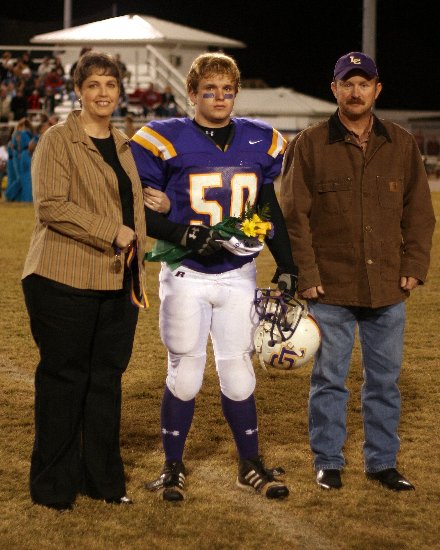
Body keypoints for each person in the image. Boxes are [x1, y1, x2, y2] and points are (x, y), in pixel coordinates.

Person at [131, 52, 298, 502]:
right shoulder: (163, 138)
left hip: (239, 273)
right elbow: (142, 211)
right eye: (209, 90)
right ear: (192, 93)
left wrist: (286, 262)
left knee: (239, 374)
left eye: (227, 90)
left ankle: (250, 463)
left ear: (236, 93)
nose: (219, 98)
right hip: (186, 272)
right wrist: (180, 231)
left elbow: (268, 208)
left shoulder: (260, 139)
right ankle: (172, 466)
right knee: (186, 373)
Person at [280, 51, 436, 492]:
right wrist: (307, 274)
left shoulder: (401, 143)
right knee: (329, 380)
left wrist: (414, 265)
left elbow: (419, 214)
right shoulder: (309, 144)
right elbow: (294, 218)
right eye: (347, 83)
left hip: (387, 286)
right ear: (334, 89)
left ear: (376, 89)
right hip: (329, 287)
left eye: (363, 83)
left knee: (384, 382)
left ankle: (382, 462)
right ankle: (328, 460)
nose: (355, 91)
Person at [21, 51, 148, 511]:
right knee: (64, 381)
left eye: (110, 84)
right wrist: (110, 231)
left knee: (105, 382)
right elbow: (51, 205)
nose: (102, 93)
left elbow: (127, 206)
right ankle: (54, 487)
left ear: (119, 91)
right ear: (78, 91)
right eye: (93, 84)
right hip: (63, 278)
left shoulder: (124, 144)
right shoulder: (58, 139)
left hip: (117, 282)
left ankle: (103, 481)